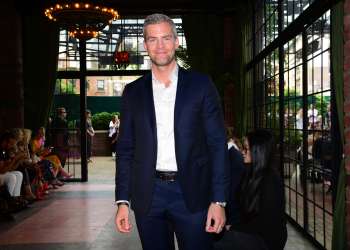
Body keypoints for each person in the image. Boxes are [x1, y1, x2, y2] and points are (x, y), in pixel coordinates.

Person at [115, 13, 229, 250]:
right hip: (148, 193)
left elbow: (217, 144)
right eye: (153, 39)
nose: (160, 46)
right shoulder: (133, 92)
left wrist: (219, 200)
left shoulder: (201, 84)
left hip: (193, 193)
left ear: (177, 41)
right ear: (145, 45)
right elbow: (125, 149)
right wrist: (123, 201)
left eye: (166, 38)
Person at [214, 129, 287, 250]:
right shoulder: (251, 171)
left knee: (217, 243)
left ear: (258, 151)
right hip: (254, 231)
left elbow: (265, 223)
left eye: (246, 149)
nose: (242, 152)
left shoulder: (270, 180)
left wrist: (232, 228)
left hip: (267, 239)